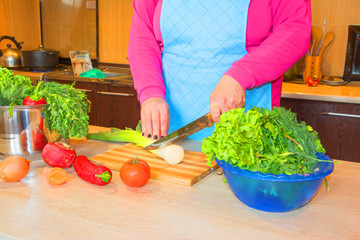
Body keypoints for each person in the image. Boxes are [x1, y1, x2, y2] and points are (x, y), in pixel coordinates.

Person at [128, 0, 311, 141]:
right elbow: (143, 35)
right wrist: (151, 94)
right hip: (172, 127)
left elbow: (296, 28)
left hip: (247, 130)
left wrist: (241, 75)